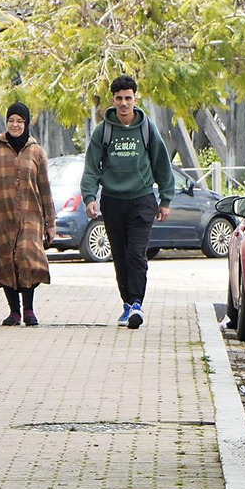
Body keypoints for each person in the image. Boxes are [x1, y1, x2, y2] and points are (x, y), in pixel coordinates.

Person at [81, 75, 175, 329]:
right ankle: (126, 303)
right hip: (113, 201)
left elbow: (162, 164)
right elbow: (91, 167)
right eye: (119, 98)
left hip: (143, 200)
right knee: (120, 255)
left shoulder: (147, 128)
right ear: (113, 100)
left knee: (136, 253)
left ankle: (137, 303)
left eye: (128, 98)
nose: (124, 103)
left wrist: (165, 199)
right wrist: (90, 197)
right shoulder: (104, 130)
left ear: (136, 98)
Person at [0, 102, 56, 326]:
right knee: (5, 260)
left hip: (31, 215)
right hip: (0, 214)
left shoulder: (36, 152)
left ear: (26, 123)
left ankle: (29, 309)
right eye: (11, 121)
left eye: (19, 121)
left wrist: (50, 223)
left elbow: (45, 188)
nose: (15, 125)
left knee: (28, 257)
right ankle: (14, 311)